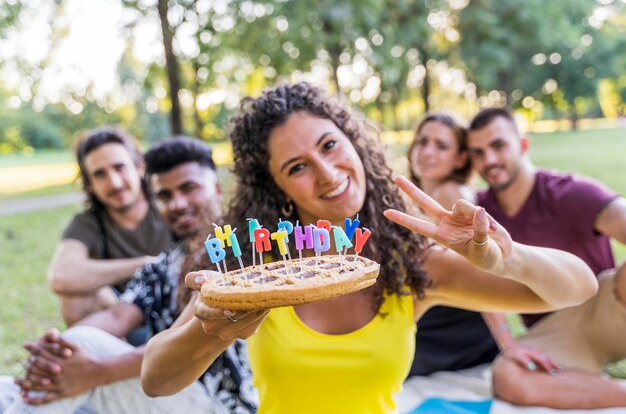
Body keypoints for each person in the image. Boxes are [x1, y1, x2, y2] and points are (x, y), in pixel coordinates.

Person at [140, 83, 597, 414]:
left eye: (330, 145)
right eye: (298, 166)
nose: (327, 172)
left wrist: (508, 255)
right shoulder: (257, 271)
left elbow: (578, 287)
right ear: (276, 187)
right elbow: (157, 380)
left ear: (355, 144)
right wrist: (213, 329)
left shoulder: (408, 267)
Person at [0, 137, 257, 414]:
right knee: (7, 389)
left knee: (83, 345)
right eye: (164, 196)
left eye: (189, 188)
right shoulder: (165, 262)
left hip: (218, 400)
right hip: (161, 392)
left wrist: (95, 369)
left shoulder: (241, 249)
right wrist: (56, 351)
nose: (177, 204)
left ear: (217, 188)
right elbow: (116, 316)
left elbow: (180, 341)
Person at [466, 107, 626, 409]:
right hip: (554, 330)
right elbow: (476, 280)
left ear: (523, 145)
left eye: (498, 146)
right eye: (478, 153)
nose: (488, 160)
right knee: (508, 376)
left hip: (606, 306)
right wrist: (508, 343)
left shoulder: (568, 192)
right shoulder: (480, 212)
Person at [48, 127, 172, 326]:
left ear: (140, 168)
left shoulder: (170, 206)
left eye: (119, 167)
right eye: (100, 174)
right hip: (125, 323)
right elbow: (61, 276)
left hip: (182, 321)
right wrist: (144, 264)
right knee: (75, 298)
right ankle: (114, 355)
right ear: (89, 184)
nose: (114, 183)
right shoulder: (89, 223)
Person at [406, 112, 499, 377]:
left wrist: (509, 343)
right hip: (431, 316)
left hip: (457, 330)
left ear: (460, 158)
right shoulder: (419, 195)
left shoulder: (452, 194)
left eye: (441, 145)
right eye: (422, 141)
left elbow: (487, 269)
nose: (426, 151)